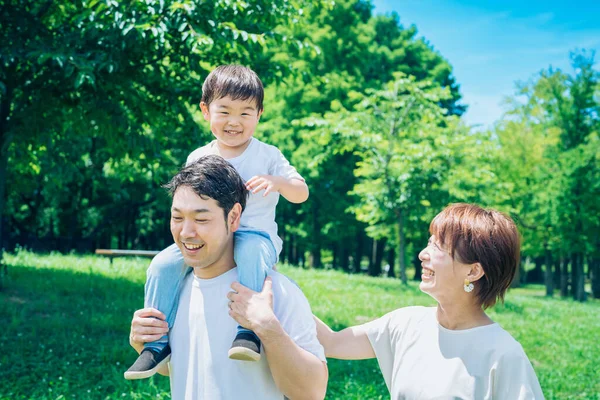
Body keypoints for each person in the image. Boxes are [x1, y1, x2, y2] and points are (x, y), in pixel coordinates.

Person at [239, 203, 544, 399]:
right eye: (428, 243)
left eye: (437, 247)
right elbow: (331, 342)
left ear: (473, 271)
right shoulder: (407, 323)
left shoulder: (503, 356)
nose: (423, 254)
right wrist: (277, 286)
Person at [125, 64, 309, 379]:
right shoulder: (199, 157)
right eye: (224, 111)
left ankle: (247, 331)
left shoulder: (268, 155)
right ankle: (156, 343)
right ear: (205, 111)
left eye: (245, 113)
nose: (234, 122)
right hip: (208, 238)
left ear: (259, 114)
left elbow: (301, 192)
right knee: (161, 264)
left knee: (249, 254)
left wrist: (277, 182)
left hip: (255, 237)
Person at [128, 155, 327, 399]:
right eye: (177, 217)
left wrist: (268, 329)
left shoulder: (275, 292)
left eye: (201, 219)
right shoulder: (172, 290)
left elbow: (313, 392)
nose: (186, 232)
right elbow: (193, 370)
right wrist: (147, 343)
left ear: (233, 218)